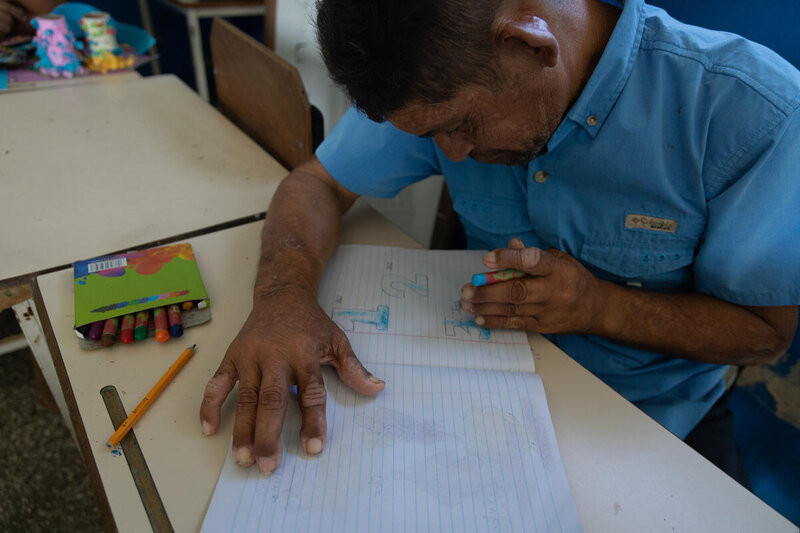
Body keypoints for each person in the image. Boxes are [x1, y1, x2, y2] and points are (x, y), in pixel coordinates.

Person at [199, 0, 800, 484]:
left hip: (652, 422)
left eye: (461, 127)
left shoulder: (750, 115)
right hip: (470, 394)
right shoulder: (432, 66)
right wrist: (282, 295)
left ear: (531, 44)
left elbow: (765, 335)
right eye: (434, 135)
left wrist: (601, 307)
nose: (451, 153)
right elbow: (317, 184)